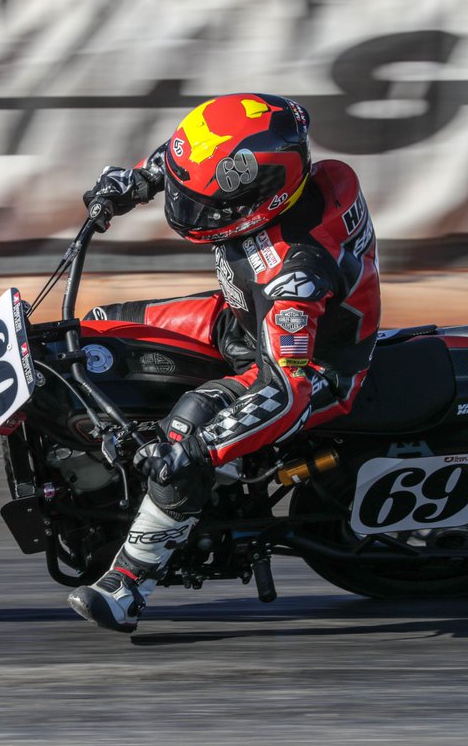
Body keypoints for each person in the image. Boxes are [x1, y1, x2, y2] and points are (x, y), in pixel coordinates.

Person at [66, 92, 382, 633]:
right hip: (239, 321)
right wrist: (132, 185)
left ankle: (128, 583)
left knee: (179, 443)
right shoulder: (289, 174)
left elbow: (288, 389)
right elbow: (184, 157)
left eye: (205, 204)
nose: (188, 211)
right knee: (99, 326)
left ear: (261, 197)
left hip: (303, 368)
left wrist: (202, 447)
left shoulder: (296, 275)